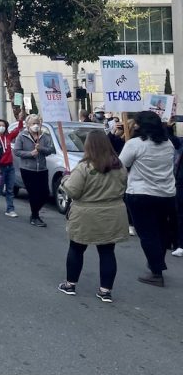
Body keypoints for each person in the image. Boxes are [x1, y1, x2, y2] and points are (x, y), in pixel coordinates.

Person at [57, 130, 129, 302]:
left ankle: (70, 284)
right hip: (112, 212)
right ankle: (105, 291)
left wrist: (65, 179)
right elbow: (124, 186)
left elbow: (73, 191)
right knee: (107, 251)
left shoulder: (84, 167)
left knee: (76, 248)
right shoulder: (119, 165)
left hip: (86, 213)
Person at [119, 111, 177, 287]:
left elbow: (121, 164)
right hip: (166, 194)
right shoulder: (169, 144)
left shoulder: (135, 144)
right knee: (161, 232)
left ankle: (156, 272)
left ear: (140, 126)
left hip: (140, 194)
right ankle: (156, 262)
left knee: (147, 234)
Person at [13, 114, 55, 227]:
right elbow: (16, 151)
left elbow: (50, 150)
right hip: (27, 169)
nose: (36, 126)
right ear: (28, 125)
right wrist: (30, 154)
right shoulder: (22, 136)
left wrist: (41, 148)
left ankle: (35, 213)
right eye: (33, 123)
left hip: (42, 168)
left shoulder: (45, 136)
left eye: (37, 123)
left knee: (45, 193)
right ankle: (35, 216)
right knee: (34, 193)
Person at [0, 114, 24, 218]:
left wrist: (20, 120)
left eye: (3, 125)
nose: (1, 127)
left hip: (10, 167)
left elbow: (18, 129)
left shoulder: (8, 137)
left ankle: (10, 209)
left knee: (10, 189)